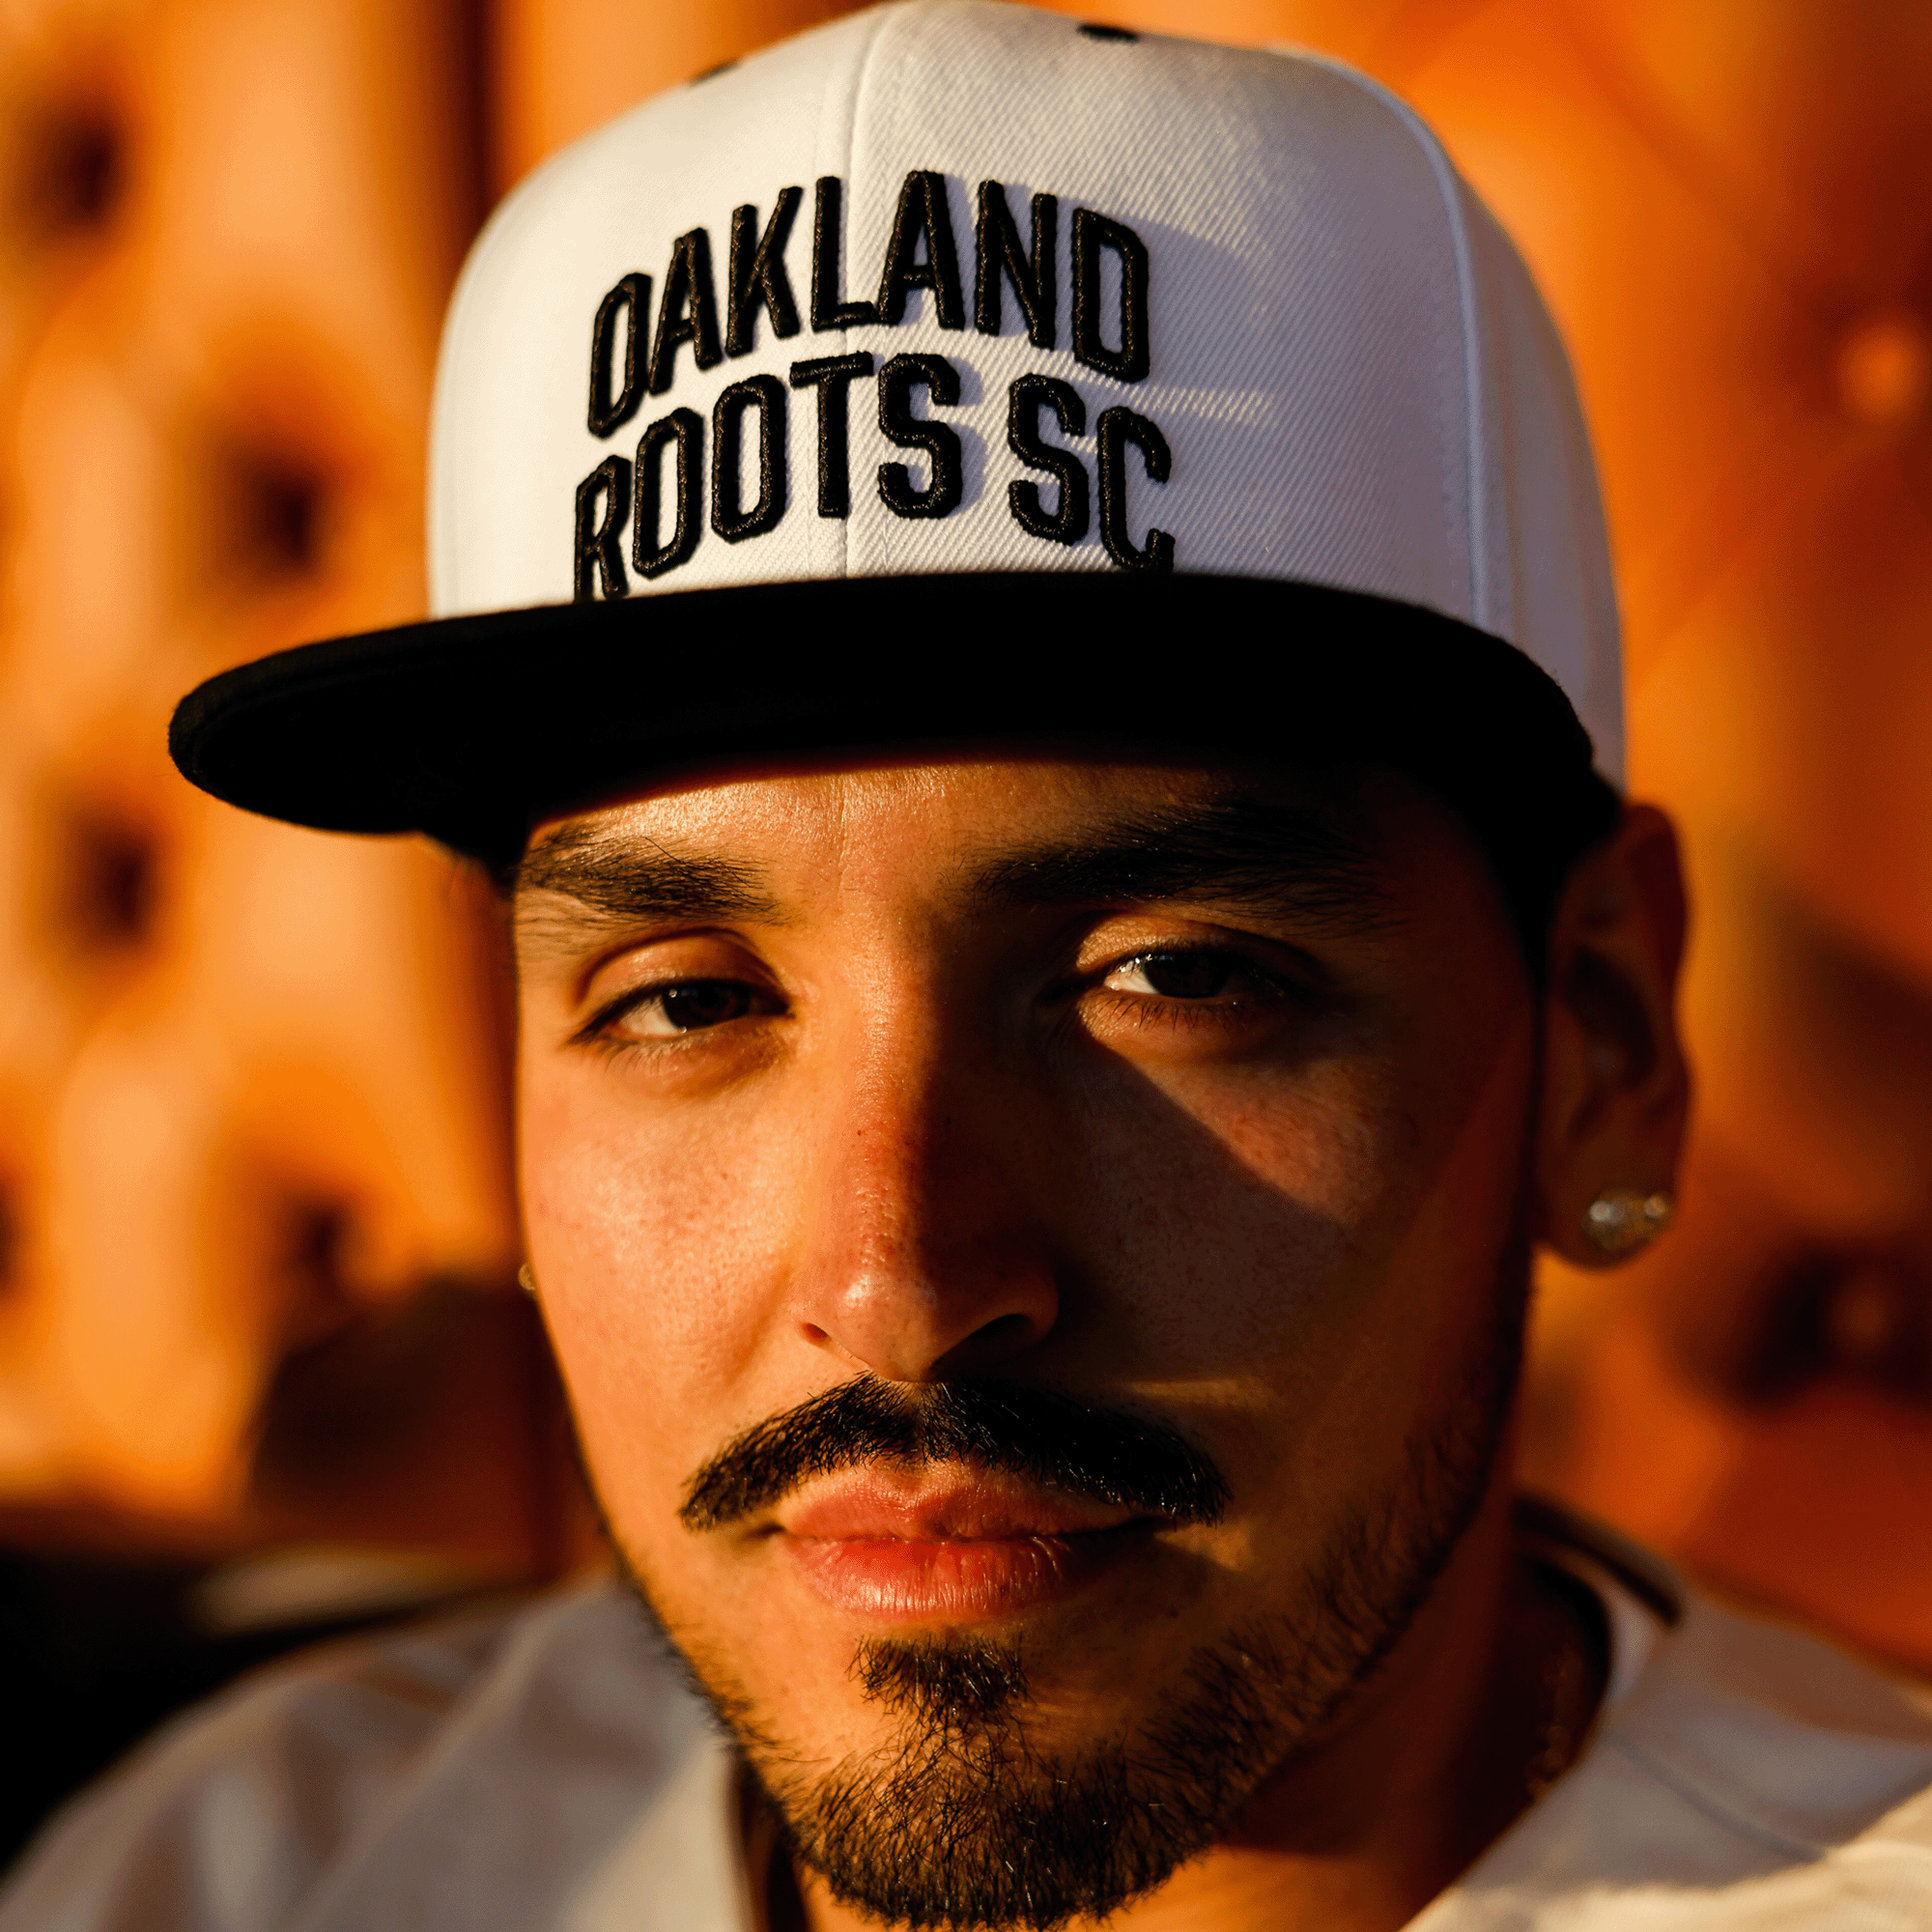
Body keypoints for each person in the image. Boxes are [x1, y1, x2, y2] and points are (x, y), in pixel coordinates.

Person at [9, 5, 1932, 1927]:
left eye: (1167, 976)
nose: (896, 1281)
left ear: (1599, 1032)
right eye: (686, 998)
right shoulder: (253, 1863)